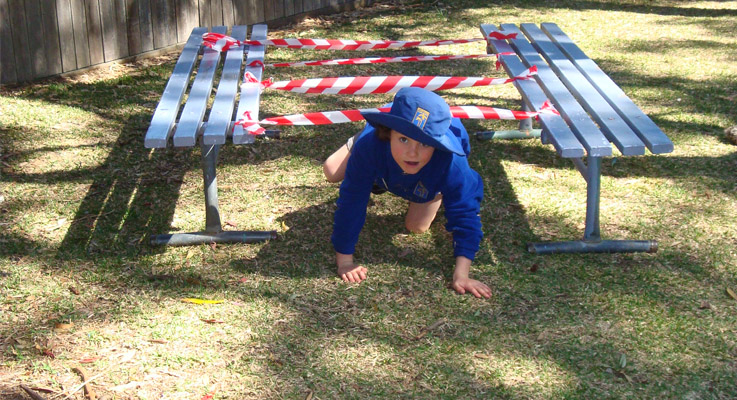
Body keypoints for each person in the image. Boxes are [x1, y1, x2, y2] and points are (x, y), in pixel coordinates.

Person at [323, 87, 491, 299]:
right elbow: (352, 201)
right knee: (331, 170)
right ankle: (366, 140)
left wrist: (461, 275)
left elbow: (466, 213)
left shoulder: (452, 163)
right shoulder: (370, 147)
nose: (413, 152)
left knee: (416, 227)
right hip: (376, 149)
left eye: (425, 143)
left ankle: (435, 189)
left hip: (430, 173)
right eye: (404, 139)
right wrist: (345, 261)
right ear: (388, 133)